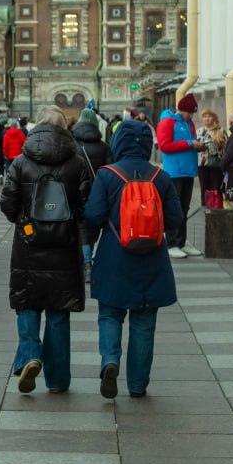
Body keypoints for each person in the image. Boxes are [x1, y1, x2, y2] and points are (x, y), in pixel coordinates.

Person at [84, 119, 184, 399]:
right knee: (144, 323)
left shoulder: (107, 175)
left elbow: (93, 215)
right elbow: (175, 220)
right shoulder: (160, 177)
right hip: (152, 260)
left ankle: (110, 360)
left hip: (114, 257)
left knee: (110, 315)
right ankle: (138, 385)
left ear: (118, 143)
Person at [0, 106, 91, 394]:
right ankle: (58, 380)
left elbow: (7, 202)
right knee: (59, 312)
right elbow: (88, 205)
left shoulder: (21, 161)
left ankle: (30, 354)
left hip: (28, 245)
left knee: (27, 303)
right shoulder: (77, 162)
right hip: (64, 247)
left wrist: (24, 222)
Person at [157, 94, 204, 258]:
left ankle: (181, 242)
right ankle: (170, 243)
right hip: (174, 172)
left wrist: (199, 146)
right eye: (190, 112)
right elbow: (164, 145)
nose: (191, 116)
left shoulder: (188, 123)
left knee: (184, 208)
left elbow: (190, 141)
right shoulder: (167, 122)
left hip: (188, 171)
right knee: (173, 208)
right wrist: (190, 143)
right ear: (182, 109)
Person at [72, 109, 111, 278]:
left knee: (81, 227)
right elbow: (110, 171)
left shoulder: (71, 144)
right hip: (98, 193)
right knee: (94, 227)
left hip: (76, 192)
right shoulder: (103, 146)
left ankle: (86, 263)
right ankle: (91, 258)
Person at [196, 109, 227, 209]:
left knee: (216, 189)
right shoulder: (199, 131)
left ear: (213, 117)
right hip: (202, 165)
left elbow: (226, 147)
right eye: (204, 116)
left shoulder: (220, 130)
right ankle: (205, 210)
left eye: (209, 116)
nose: (207, 118)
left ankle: (217, 210)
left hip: (216, 165)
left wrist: (217, 142)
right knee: (204, 189)